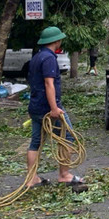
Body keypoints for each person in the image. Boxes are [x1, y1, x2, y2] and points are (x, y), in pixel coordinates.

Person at [26, 26, 87, 191]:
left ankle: (32, 178)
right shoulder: (49, 59)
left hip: (36, 106)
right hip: (49, 109)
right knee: (67, 138)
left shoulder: (37, 57)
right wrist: (54, 109)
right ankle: (64, 175)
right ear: (56, 41)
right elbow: (49, 83)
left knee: (36, 143)